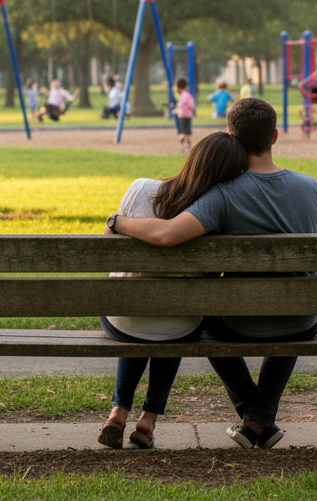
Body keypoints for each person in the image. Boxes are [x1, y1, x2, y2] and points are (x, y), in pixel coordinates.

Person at [109, 98, 317, 449]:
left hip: (240, 320)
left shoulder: (222, 195)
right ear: (274, 136)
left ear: (231, 136)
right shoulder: (310, 186)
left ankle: (254, 415)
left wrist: (116, 221)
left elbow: (167, 235)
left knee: (206, 321)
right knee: (295, 302)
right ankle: (258, 419)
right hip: (303, 318)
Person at [98, 132, 249, 449]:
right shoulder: (214, 215)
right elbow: (208, 280)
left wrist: (117, 221)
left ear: (193, 157)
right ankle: (148, 419)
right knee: (176, 319)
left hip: (121, 318)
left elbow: (107, 246)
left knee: (137, 308)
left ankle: (118, 411)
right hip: (179, 325)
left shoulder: (140, 188)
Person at [173, 78, 195, 153]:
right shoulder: (188, 95)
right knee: (188, 132)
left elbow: (182, 105)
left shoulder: (182, 95)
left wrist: (177, 110)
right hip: (188, 116)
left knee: (182, 131)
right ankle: (189, 147)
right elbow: (191, 105)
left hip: (182, 115)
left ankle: (182, 146)